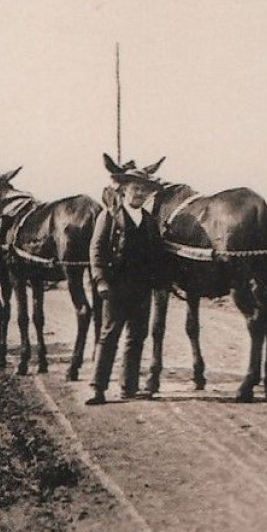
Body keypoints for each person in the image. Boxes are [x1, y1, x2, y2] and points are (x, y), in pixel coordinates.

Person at [86, 154, 162, 405]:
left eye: (144, 189)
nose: (139, 193)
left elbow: (156, 254)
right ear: (124, 189)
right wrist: (101, 282)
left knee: (137, 337)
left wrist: (157, 280)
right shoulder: (108, 217)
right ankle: (98, 388)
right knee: (109, 336)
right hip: (116, 287)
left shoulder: (150, 222)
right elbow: (96, 251)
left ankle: (128, 387)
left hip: (142, 288)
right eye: (135, 188)